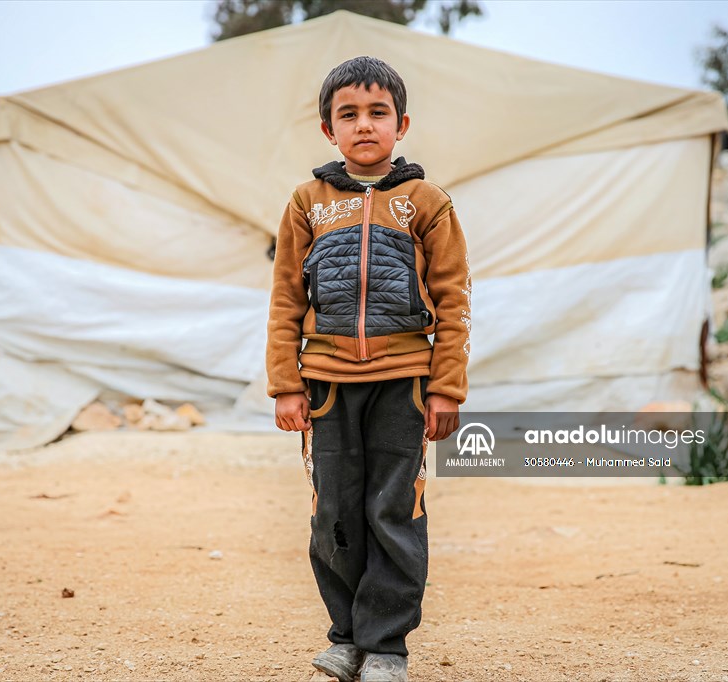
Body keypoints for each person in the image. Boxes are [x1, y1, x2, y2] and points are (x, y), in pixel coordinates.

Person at [266, 55, 471, 682]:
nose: (363, 125)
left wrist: (446, 389)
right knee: (334, 511)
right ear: (328, 129)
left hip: (404, 385)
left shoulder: (426, 203)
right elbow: (285, 298)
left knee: (393, 511)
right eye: (347, 114)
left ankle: (386, 647)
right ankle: (346, 636)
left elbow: (455, 298)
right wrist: (284, 383)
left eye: (377, 113)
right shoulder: (308, 203)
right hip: (327, 386)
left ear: (401, 123)